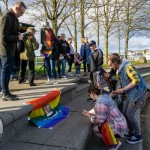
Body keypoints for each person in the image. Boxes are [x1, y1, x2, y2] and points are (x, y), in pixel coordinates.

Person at [109, 54, 147, 144]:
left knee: (130, 114)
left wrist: (123, 90)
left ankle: (138, 135)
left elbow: (136, 80)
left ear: (115, 62)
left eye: (110, 64)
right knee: (126, 113)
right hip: (131, 94)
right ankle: (131, 132)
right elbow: (123, 82)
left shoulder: (128, 67)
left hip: (139, 94)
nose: (110, 66)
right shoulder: (119, 70)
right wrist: (117, 89)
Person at [82, 85, 127, 150]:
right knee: (97, 129)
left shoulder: (100, 104)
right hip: (121, 123)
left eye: (89, 95)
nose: (90, 96)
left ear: (92, 93)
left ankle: (114, 143)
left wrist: (90, 116)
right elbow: (98, 110)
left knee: (95, 131)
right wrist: (89, 112)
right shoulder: (104, 97)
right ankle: (110, 138)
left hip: (118, 127)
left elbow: (100, 120)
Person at [0, 1, 26, 101]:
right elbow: (3, 36)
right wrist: (18, 37)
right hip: (5, 49)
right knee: (5, 71)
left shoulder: (13, 18)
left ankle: (6, 91)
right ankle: (5, 93)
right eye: (21, 12)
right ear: (16, 8)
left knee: (7, 71)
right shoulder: (6, 17)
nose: (22, 14)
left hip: (10, 50)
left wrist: (17, 33)